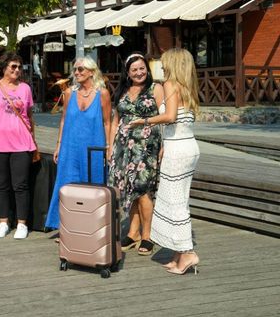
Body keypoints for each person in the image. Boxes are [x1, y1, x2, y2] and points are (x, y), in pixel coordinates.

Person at [129, 48, 201, 275]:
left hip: (178, 150)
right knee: (178, 199)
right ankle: (178, 254)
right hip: (188, 146)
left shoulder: (170, 85)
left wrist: (144, 121)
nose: (162, 65)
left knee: (175, 201)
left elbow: (169, 117)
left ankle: (188, 253)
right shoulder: (188, 87)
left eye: (165, 61)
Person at [45, 57, 112, 232]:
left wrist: (109, 147)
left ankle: (93, 227)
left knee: (93, 185)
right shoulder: (69, 93)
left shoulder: (102, 93)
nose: (76, 73)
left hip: (94, 148)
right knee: (67, 185)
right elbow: (63, 119)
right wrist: (59, 145)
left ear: (91, 71)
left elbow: (107, 122)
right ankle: (66, 228)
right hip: (70, 147)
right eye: (75, 69)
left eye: (81, 69)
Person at [108, 53, 164, 256]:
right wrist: (110, 147)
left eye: (142, 68)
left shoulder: (155, 88)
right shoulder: (122, 90)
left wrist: (163, 145)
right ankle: (133, 233)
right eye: (135, 70)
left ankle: (147, 235)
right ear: (128, 73)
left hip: (147, 145)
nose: (139, 73)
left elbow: (164, 116)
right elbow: (115, 120)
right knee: (127, 188)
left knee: (142, 189)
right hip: (123, 146)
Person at [0, 52, 36, 240]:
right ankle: (3, 222)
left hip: (21, 143)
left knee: (21, 185)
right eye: (13, 66)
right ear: (4, 67)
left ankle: (21, 223)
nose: (17, 70)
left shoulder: (25, 88)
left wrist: (33, 141)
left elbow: (29, 116)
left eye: (19, 67)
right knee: (1, 185)